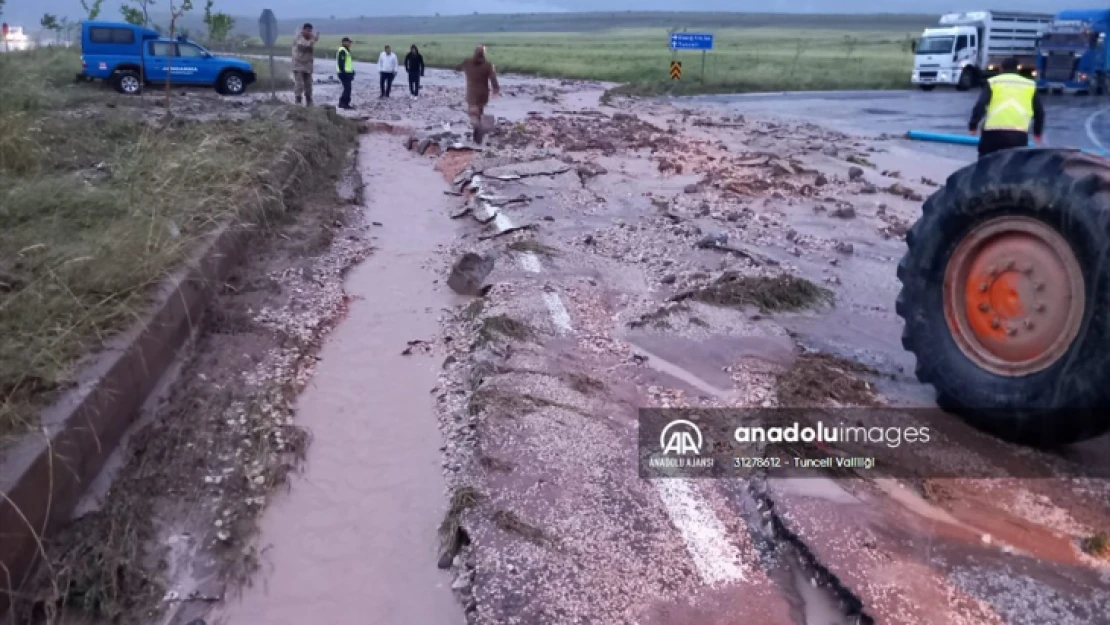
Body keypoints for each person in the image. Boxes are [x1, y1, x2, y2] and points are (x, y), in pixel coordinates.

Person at [969, 57, 1045, 159]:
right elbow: (1039, 112)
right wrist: (1037, 132)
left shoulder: (993, 82)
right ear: (1018, 68)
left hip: (992, 133)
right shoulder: (1030, 84)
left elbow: (980, 105)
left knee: (985, 164)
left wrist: (973, 125)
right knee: (1013, 165)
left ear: (1001, 68)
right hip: (1018, 135)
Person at [455, 45, 500, 145]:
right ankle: (477, 139)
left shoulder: (467, 62)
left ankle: (477, 129)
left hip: (471, 93)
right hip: (483, 94)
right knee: (479, 112)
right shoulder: (488, 65)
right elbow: (493, 79)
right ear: (483, 54)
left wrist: (461, 63)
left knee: (473, 112)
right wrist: (495, 90)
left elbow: (457, 68)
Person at [291, 23, 319, 106]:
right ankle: (298, 100)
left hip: (308, 65)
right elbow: (304, 45)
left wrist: (312, 39)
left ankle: (309, 100)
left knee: (309, 84)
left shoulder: (309, 38)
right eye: (307, 31)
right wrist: (313, 40)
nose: (309, 33)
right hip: (298, 64)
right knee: (299, 84)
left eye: (310, 31)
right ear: (303, 30)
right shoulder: (298, 37)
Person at [336, 37, 355, 110]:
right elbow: (341, 63)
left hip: (348, 73)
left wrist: (352, 72)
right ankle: (343, 103)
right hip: (344, 73)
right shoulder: (342, 51)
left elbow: (348, 63)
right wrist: (343, 72)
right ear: (344, 42)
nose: (350, 44)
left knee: (348, 89)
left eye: (350, 42)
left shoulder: (346, 51)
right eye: (348, 42)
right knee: (347, 89)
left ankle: (345, 103)